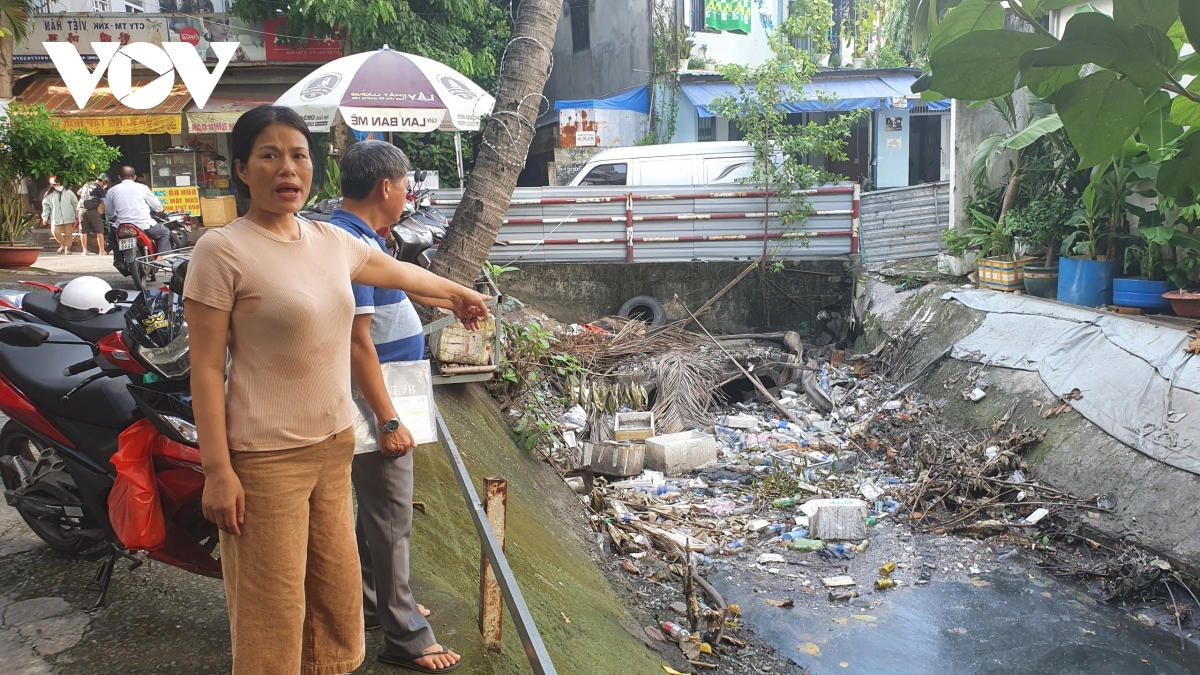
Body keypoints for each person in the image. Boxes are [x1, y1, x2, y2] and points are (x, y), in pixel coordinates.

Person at [182, 106, 489, 675]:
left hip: (333, 447)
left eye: (298, 155)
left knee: (338, 603)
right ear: (243, 169)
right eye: (269, 155)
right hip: (265, 459)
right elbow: (204, 369)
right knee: (273, 611)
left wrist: (458, 295)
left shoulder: (330, 241)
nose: (286, 168)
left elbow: (402, 275)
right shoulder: (221, 251)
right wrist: (217, 470)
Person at [331, 140, 462, 673]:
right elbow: (357, 342)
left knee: (379, 512)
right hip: (377, 395)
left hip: (390, 386)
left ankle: (378, 603)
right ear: (386, 188)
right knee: (390, 514)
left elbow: (401, 291)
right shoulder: (351, 246)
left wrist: (456, 298)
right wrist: (387, 420)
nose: (409, 196)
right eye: (407, 186)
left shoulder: (361, 237)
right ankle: (406, 636)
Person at [103, 166, 171, 254]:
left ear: (119, 177)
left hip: (121, 226)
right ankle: (160, 258)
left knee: (113, 239)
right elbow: (157, 206)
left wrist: (113, 216)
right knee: (164, 232)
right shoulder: (143, 188)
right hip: (143, 225)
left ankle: (118, 259)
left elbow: (109, 212)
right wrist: (159, 209)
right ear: (134, 177)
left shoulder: (112, 191)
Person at [41, 176, 79, 254]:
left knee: (68, 233)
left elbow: (75, 204)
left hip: (68, 216)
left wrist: (77, 215)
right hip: (56, 217)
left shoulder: (68, 192)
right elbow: (46, 206)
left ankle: (67, 249)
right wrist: (44, 217)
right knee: (55, 233)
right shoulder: (50, 194)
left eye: (58, 184)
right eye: (55, 185)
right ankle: (63, 245)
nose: (57, 186)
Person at [78, 175, 109, 256]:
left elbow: (79, 192)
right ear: (103, 181)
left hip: (81, 209)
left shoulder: (86, 184)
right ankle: (101, 251)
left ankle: (85, 251)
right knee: (99, 230)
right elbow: (104, 202)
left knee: (83, 231)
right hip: (92, 210)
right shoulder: (99, 188)